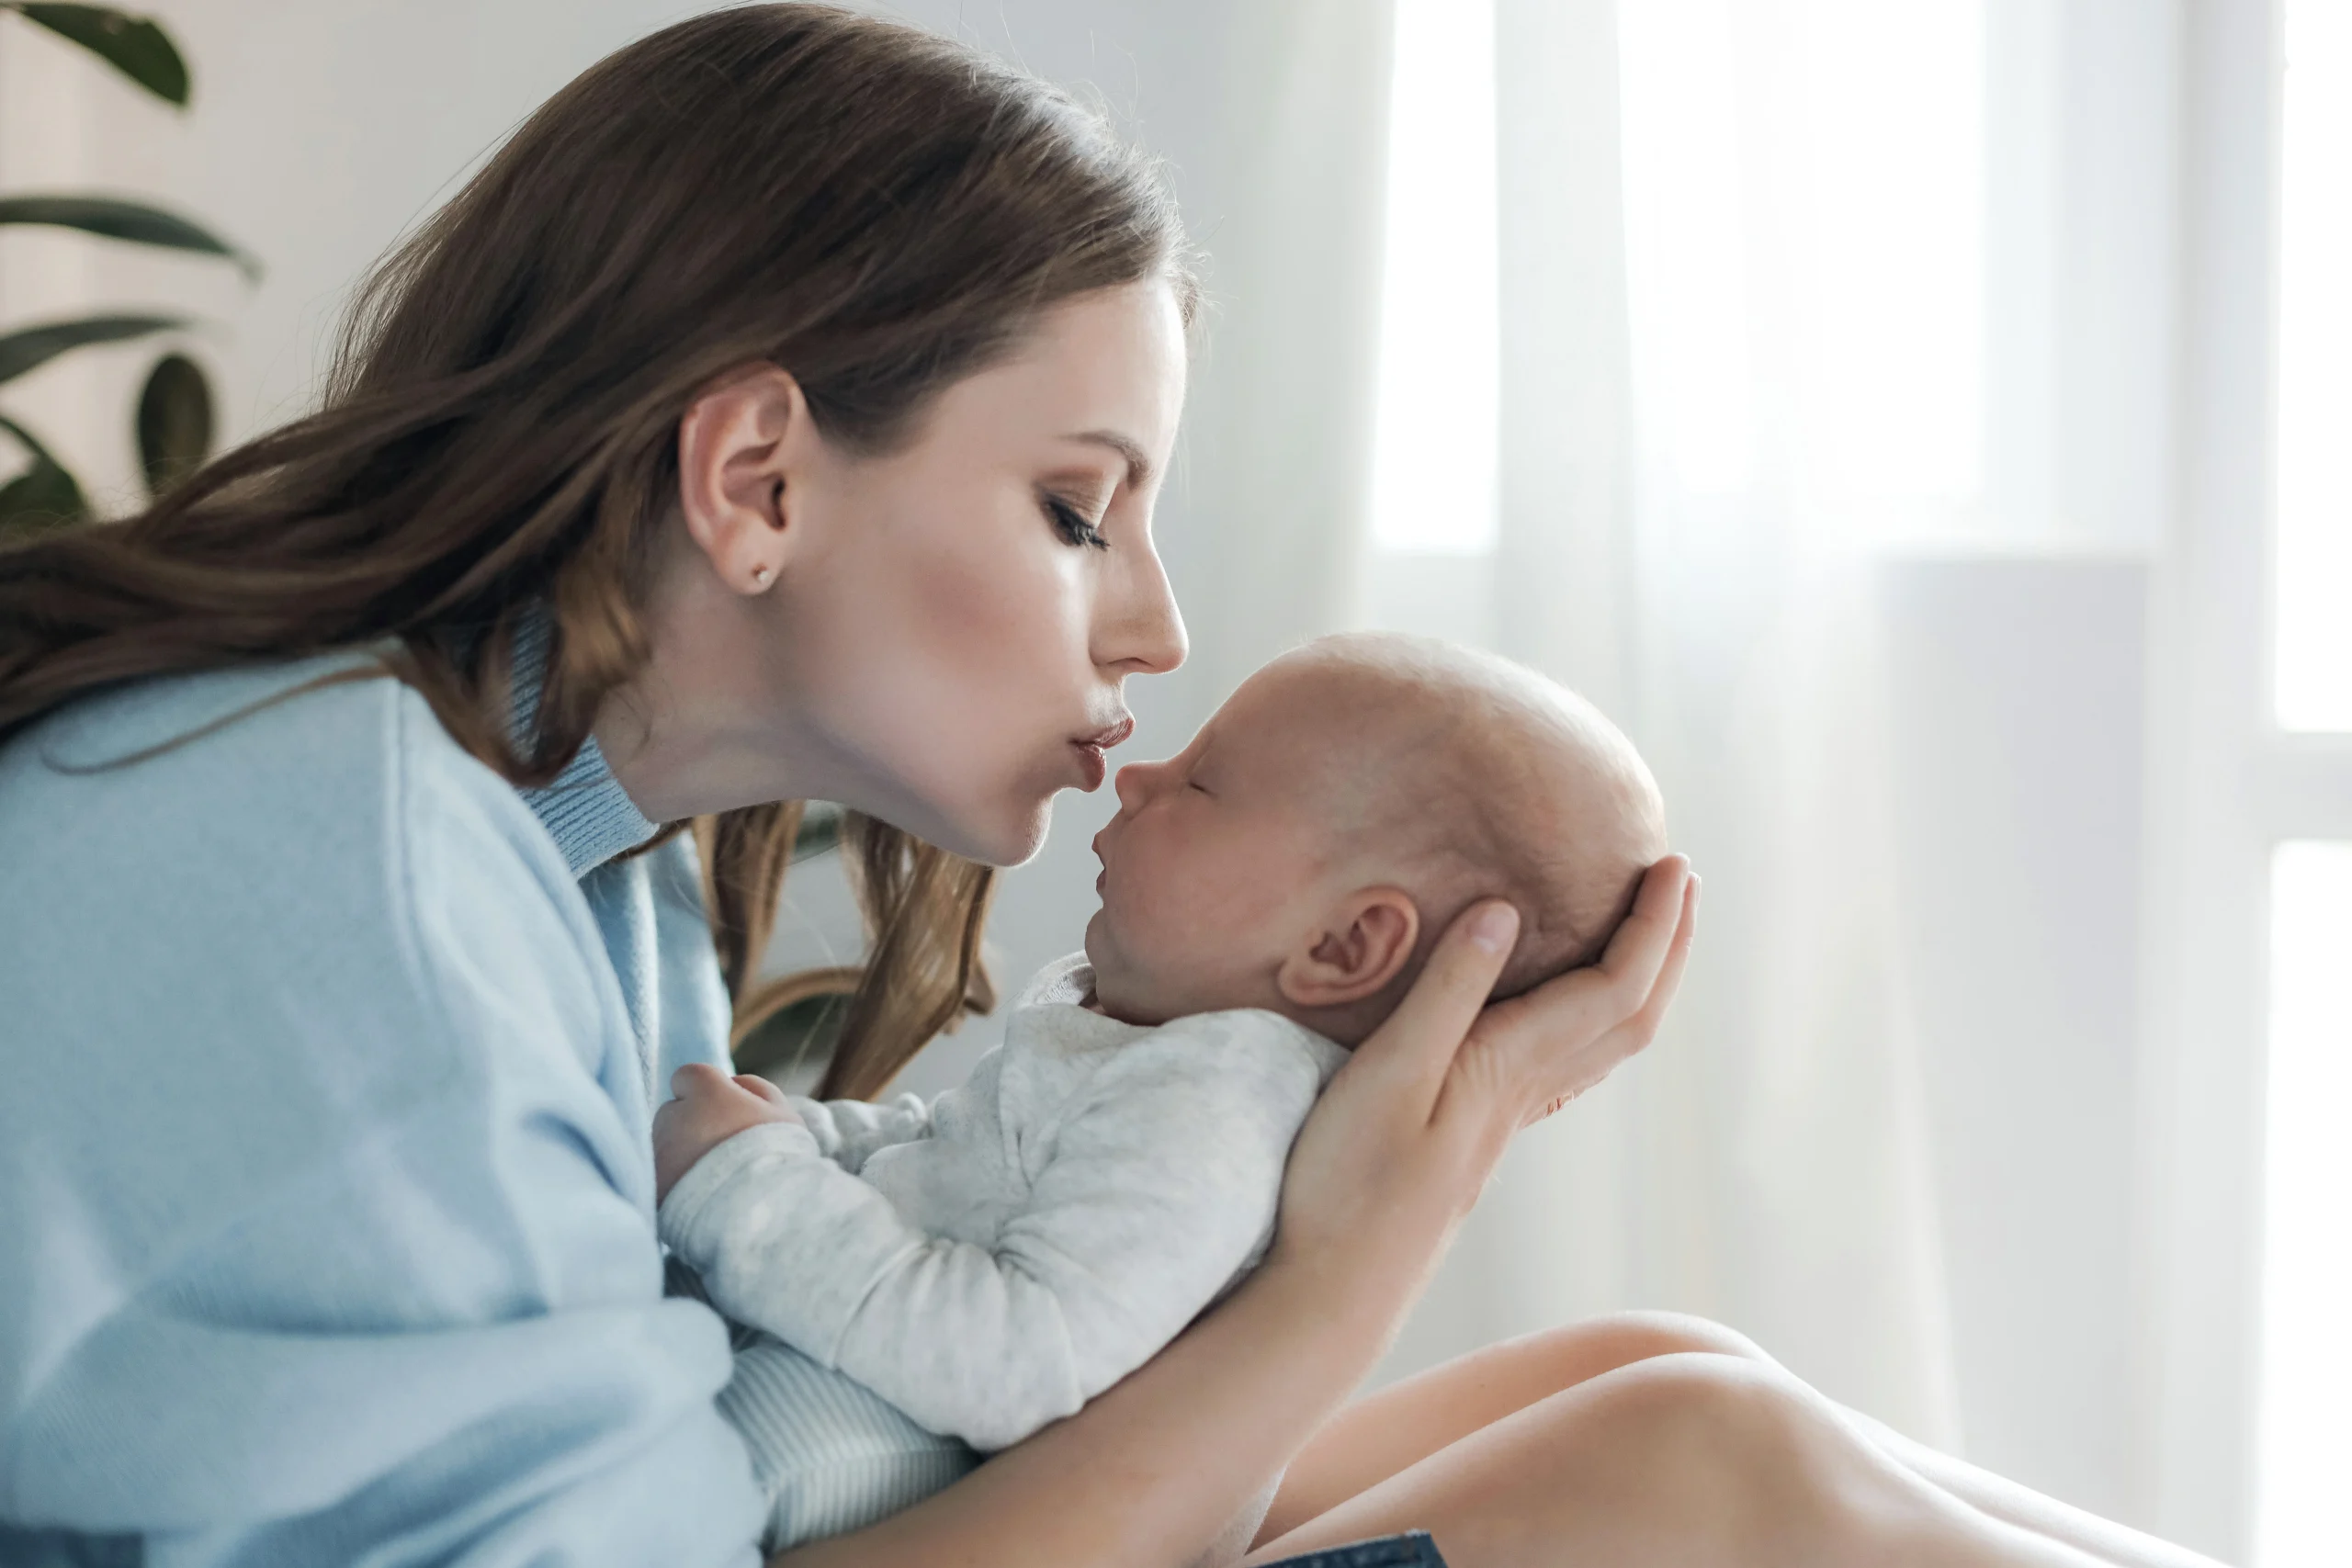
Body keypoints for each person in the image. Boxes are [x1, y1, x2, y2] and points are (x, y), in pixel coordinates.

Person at [0, 6, 2218, 1566]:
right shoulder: (343, 860)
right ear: (755, 473)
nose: (1152, 628)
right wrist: (1356, 1257)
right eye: (1078, 509)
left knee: (1668, 1359)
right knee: (1689, 1464)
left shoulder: (558, 840)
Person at [646, 633, 1667, 1552]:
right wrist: (805, 1136)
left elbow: (1013, 1361)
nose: (1137, 778)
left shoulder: (1214, 1106)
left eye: (1203, 783)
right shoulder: (1170, 1051)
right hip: (913, 1423)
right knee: (1669, 1371)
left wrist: (747, 1183)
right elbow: (960, 1155)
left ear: (1345, 944)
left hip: (862, 1465)